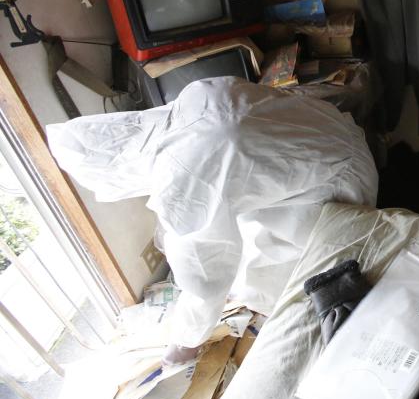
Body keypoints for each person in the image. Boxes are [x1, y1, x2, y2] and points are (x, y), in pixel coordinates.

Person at [47, 78, 377, 362]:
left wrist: (187, 341)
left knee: (279, 280)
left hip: (333, 182)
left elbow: (204, 276)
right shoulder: (193, 95)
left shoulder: (181, 172)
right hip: (336, 136)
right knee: (240, 233)